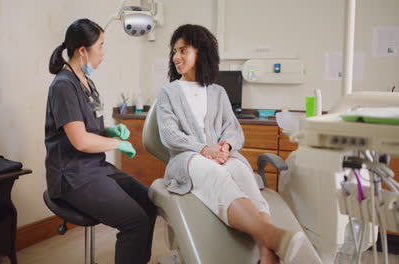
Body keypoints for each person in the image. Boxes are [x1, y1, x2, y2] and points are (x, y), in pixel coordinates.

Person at [156, 24, 307, 264]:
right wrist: (205, 150)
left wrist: (225, 147)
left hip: (220, 156)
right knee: (216, 173)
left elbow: (234, 131)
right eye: (174, 51)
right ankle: (273, 237)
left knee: (241, 171)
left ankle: (267, 252)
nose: (176, 57)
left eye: (183, 50)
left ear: (201, 52)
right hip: (186, 159)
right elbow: (170, 136)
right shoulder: (168, 93)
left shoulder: (218, 92)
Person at [45, 18, 156, 264]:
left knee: (148, 202)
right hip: (72, 175)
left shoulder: (86, 82)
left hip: (94, 168)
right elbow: (81, 141)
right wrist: (117, 144)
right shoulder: (63, 86)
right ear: (83, 51)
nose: (104, 53)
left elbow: (86, 123)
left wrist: (110, 130)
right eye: (101, 46)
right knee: (135, 221)